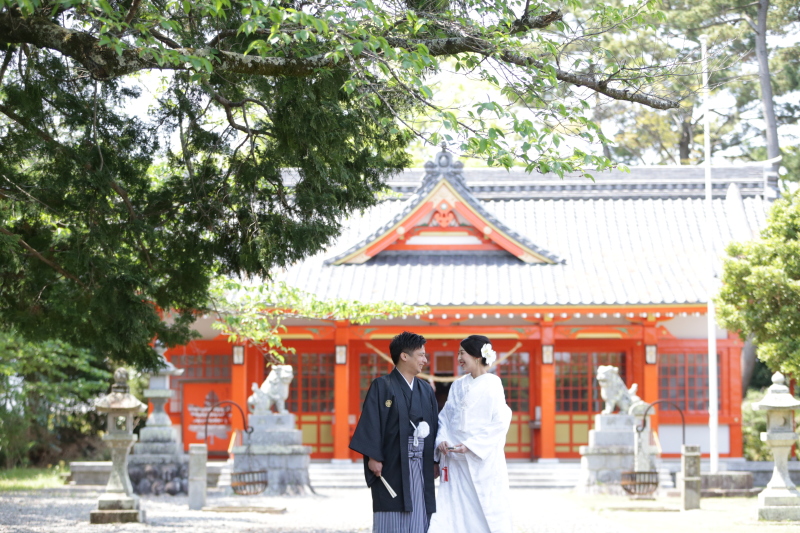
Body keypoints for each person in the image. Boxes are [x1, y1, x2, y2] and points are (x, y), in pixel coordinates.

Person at [350, 331, 440, 533]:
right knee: (391, 512)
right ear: (404, 356)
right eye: (421, 355)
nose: (425, 360)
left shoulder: (425, 389)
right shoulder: (382, 386)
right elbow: (372, 421)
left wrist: (435, 460)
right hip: (391, 463)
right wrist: (373, 456)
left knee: (419, 512)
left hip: (421, 463)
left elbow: (434, 426)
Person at [428, 335, 513, 533]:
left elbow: (500, 420)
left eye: (462, 353)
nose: (458, 358)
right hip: (455, 460)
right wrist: (442, 440)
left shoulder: (493, 383)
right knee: (453, 510)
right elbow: (445, 418)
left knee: (485, 508)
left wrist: (472, 445)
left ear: (476, 356)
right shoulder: (457, 385)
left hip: (480, 459)